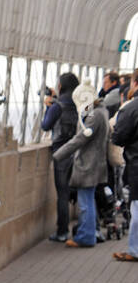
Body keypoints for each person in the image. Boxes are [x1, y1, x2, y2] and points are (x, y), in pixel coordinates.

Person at [54, 81, 108, 248]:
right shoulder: (101, 111)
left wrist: (59, 154)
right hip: (95, 162)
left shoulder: (94, 114)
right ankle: (89, 233)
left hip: (88, 164)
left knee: (85, 203)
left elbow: (81, 137)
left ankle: (86, 236)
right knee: (88, 201)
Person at [42, 71, 81, 242]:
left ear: (60, 86)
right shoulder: (81, 104)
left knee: (63, 194)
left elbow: (45, 126)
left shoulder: (58, 106)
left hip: (61, 153)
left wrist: (48, 106)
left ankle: (62, 231)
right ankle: (87, 228)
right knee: (83, 193)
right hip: (78, 152)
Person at [111, 74, 138, 263]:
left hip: (136, 164)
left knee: (137, 209)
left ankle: (134, 250)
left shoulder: (131, 109)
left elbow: (118, 137)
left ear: (135, 83)